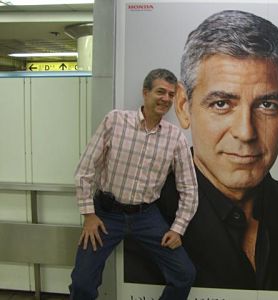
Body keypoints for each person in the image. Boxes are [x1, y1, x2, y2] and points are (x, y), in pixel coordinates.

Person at [124, 10, 278, 292]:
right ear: (184, 107)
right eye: (222, 104)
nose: (246, 132)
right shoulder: (134, 218)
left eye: (267, 105)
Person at [69, 68, 198, 300]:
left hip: (146, 217)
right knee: (82, 283)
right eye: (160, 92)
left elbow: (189, 189)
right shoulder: (115, 121)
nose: (166, 99)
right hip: (106, 215)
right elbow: (85, 169)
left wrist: (178, 228)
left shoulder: (175, 137)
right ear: (145, 92)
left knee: (184, 274)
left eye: (170, 94)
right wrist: (88, 214)